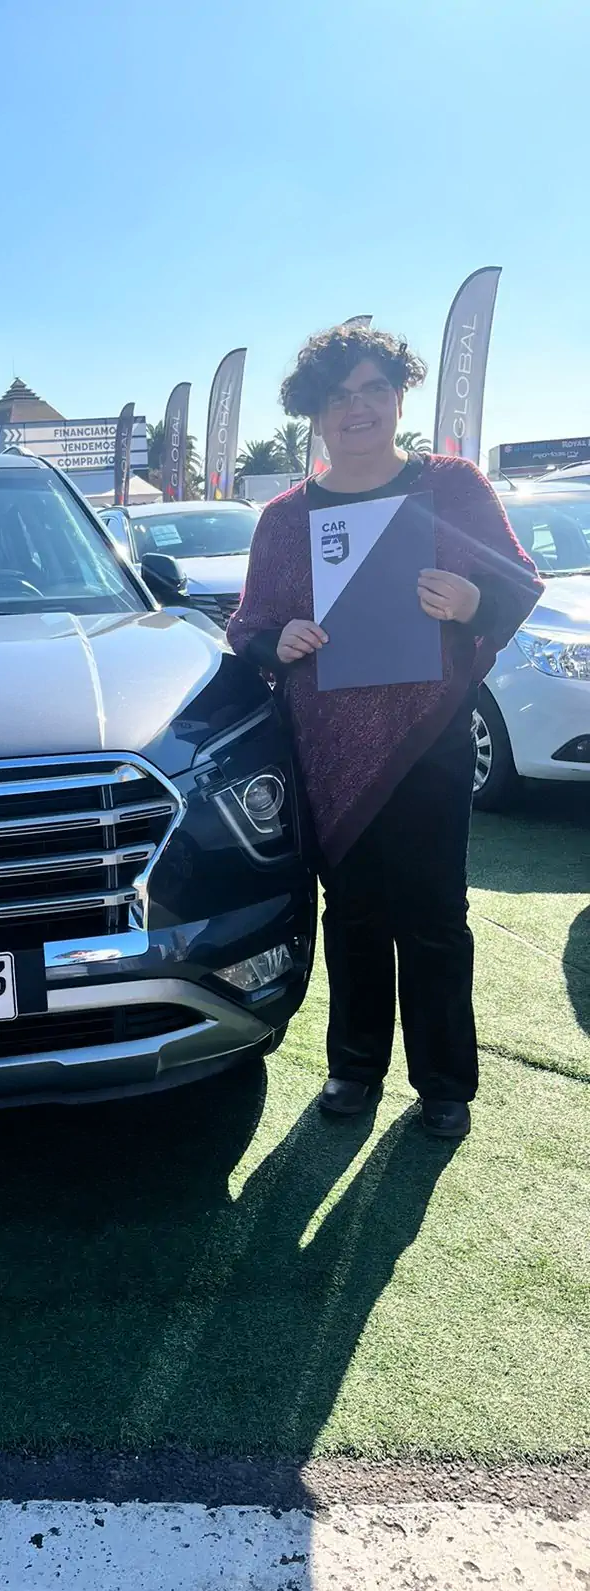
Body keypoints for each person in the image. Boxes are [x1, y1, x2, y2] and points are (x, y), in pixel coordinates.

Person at [227, 325, 543, 1140]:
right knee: (354, 913)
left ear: (400, 398)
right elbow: (248, 628)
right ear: (316, 413)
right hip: (328, 749)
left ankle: (444, 1083)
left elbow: (515, 581)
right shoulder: (285, 517)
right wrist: (278, 640)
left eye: (374, 389)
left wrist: (473, 603)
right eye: (339, 396)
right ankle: (354, 1067)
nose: (358, 408)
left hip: (433, 738)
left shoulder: (454, 487)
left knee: (436, 913)